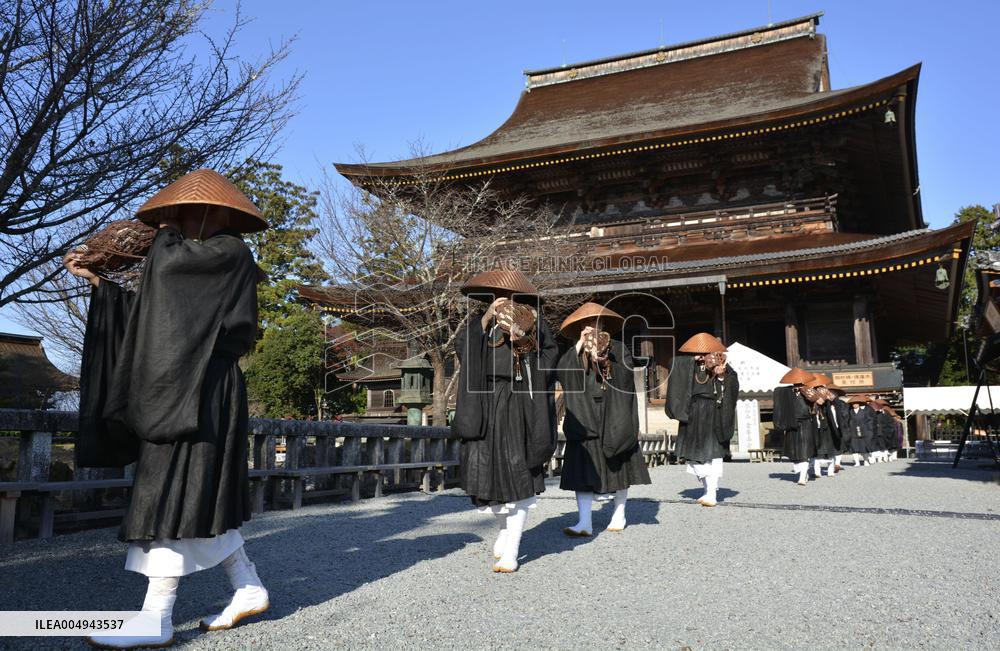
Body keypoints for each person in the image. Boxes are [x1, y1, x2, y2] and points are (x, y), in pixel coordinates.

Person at [66, 170, 270, 649]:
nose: (175, 221)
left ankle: (156, 618)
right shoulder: (187, 257)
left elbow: (169, 275)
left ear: (216, 212)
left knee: (171, 493)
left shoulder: (229, 252)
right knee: (190, 493)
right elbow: (159, 313)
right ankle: (248, 585)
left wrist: (162, 237)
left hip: (203, 388)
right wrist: (102, 284)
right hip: (183, 383)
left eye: (183, 213)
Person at [451, 270, 558, 573]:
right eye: (497, 297)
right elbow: (463, 350)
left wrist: (523, 339)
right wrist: (485, 319)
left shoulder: (535, 322)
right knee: (488, 477)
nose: (503, 301)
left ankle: (512, 548)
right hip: (484, 403)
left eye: (509, 296)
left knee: (519, 472)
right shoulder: (481, 324)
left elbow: (550, 358)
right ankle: (504, 529)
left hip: (519, 402)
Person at [556, 302, 651, 536]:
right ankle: (584, 522)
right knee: (582, 472)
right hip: (586, 416)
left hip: (614, 415)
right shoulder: (574, 354)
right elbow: (563, 375)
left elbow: (628, 378)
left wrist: (607, 359)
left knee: (619, 467)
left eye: (596, 324)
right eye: (586, 326)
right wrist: (580, 346)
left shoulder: (618, 349)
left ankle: (619, 514)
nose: (592, 329)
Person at [666, 333, 739, 507]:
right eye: (702, 352)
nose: (706, 355)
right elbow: (672, 365)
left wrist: (721, 375)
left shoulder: (723, 365)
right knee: (695, 456)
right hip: (692, 414)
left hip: (714, 414)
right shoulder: (688, 364)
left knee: (712, 454)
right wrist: (693, 361)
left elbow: (733, 384)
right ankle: (707, 490)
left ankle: (712, 493)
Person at [773, 368, 816, 485]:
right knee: (795, 452)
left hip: (805, 423)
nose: (797, 385)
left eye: (799, 383)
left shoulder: (808, 390)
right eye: (795, 383)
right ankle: (804, 473)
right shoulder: (787, 392)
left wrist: (804, 390)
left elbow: (815, 398)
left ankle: (802, 477)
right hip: (792, 423)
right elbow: (779, 398)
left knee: (804, 452)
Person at [804, 378, 840, 479]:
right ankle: (817, 471)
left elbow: (833, 400)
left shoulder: (826, 394)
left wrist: (825, 398)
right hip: (816, 427)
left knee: (830, 449)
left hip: (827, 426)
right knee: (816, 450)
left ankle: (830, 470)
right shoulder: (810, 394)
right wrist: (815, 400)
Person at [845, 395, 875, 466]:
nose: (854, 405)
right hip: (853, 432)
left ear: (859, 404)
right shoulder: (850, 412)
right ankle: (857, 462)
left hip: (864, 431)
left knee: (863, 447)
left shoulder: (864, 412)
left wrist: (869, 429)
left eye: (856, 403)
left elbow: (869, 421)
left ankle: (866, 461)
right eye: (853, 403)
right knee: (854, 448)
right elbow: (847, 421)